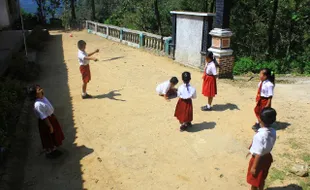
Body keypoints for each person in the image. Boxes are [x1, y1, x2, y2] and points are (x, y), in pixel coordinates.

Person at [27, 85, 65, 159]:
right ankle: (49, 152)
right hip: (46, 122)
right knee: (48, 136)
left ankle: (54, 149)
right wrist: (50, 125)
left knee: (54, 134)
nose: (40, 89)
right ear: (35, 94)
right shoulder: (38, 104)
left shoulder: (43, 98)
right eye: (38, 89)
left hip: (51, 118)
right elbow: (43, 117)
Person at [247, 107, 277, 190]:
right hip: (267, 157)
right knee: (262, 179)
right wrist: (252, 147)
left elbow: (259, 153)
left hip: (258, 161)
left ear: (259, 119)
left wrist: (254, 167)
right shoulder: (273, 131)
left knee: (254, 182)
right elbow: (265, 145)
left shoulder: (259, 135)